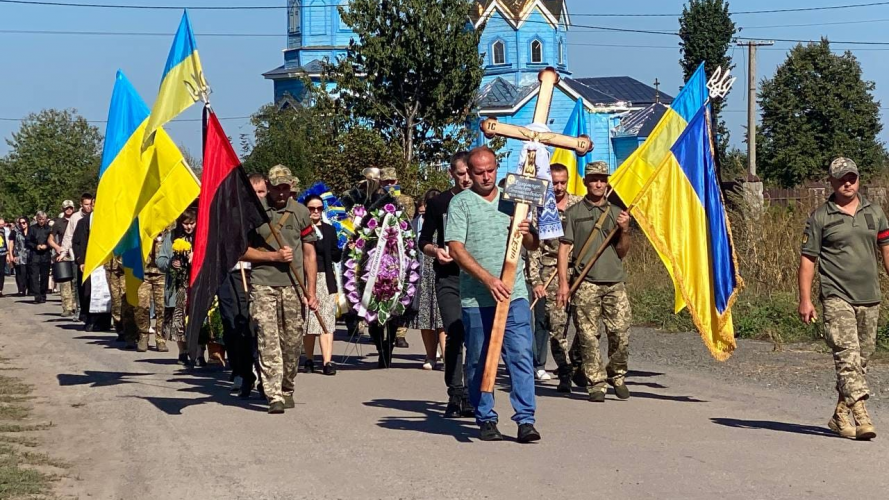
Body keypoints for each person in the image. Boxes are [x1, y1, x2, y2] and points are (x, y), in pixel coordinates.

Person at [446, 146, 541, 443]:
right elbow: (456, 248)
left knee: (521, 354)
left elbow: (533, 244)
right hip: (477, 297)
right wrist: (488, 279)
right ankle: (485, 416)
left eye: (491, 170)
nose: (486, 176)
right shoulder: (461, 204)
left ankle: (525, 419)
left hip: (514, 295)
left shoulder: (515, 200)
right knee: (478, 358)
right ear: (469, 173)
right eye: (479, 172)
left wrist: (526, 231)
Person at [798, 157, 887, 441]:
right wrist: (806, 299)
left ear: (859, 179)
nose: (847, 183)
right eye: (841, 179)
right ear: (832, 183)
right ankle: (862, 416)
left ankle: (839, 415)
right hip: (837, 296)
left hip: (869, 296)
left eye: (852, 177)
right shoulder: (821, 217)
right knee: (847, 357)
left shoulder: (875, 213)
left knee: (860, 361)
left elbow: (886, 250)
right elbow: (808, 260)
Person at [242, 165, 319, 414]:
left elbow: (309, 254)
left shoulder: (300, 213)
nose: (281, 192)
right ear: (269, 185)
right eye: (277, 187)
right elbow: (241, 250)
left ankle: (287, 387)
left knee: (292, 342)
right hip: (263, 283)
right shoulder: (254, 212)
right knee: (268, 339)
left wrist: (311, 291)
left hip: (293, 287)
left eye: (285, 187)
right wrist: (274, 257)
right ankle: (272, 393)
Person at [557, 162, 632, 403]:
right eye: (593, 179)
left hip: (614, 282)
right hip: (585, 282)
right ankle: (596, 382)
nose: (598, 184)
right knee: (589, 336)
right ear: (586, 182)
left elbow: (622, 251)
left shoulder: (616, 212)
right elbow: (564, 249)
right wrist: (563, 284)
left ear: (607, 182)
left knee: (620, 334)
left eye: (602, 179)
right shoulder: (574, 213)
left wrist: (625, 230)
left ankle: (617, 374)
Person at [419, 151, 475, 418]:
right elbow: (424, 240)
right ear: (451, 174)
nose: (466, 179)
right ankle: (456, 392)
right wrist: (435, 251)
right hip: (449, 276)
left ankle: (476, 392)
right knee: (455, 331)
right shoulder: (440, 203)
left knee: (478, 335)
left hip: (478, 277)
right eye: (461, 174)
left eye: (469, 173)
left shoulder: (483, 201)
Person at [527, 163, 583, 389]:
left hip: (578, 269)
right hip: (550, 271)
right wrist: (536, 281)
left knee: (585, 324)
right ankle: (565, 372)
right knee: (557, 326)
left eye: (563, 182)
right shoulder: (541, 208)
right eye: (555, 183)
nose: (559, 187)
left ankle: (578, 361)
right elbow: (534, 249)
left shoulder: (579, 205)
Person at [302, 195, 342, 376]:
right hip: (305, 279)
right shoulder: (300, 229)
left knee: (326, 320)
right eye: (312, 209)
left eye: (319, 208)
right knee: (308, 321)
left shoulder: (329, 230)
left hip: (325, 278)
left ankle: (327, 361)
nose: (316, 212)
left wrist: (342, 248)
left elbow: (334, 256)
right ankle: (309, 359)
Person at [410, 189, 446, 370]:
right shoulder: (417, 222)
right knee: (426, 318)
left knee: (442, 319)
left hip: (442, 271)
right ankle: (430, 356)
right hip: (423, 274)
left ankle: (448, 357)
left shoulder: (447, 220)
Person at [158, 210, 200, 364]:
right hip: (178, 286)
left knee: (198, 317)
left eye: (191, 223)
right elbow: (160, 260)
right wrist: (171, 263)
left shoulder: (201, 234)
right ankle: (183, 351)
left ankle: (199, 352)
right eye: (185, 223)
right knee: (179, 319)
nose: (189, 227)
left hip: (197, 282)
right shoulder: (172, 236)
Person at [72, 206, 112, 332]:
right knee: (88, 292)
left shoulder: (109, 220)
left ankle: (104, 321)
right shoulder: (83, 222)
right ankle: (90, 320)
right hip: (89, 263)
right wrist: (81, 261)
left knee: (106, 293)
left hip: (105, 262)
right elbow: (76, 242)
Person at [135, 232, 168, 352]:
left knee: (162, 307)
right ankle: (143, 335)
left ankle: (161, 338)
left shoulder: (169, 224)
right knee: (141, 305)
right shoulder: (143, 222)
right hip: (143, 271)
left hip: (162, 272)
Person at [48, 200, 77, 316]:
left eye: (70, 208)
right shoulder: (58, 223)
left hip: (76, 253)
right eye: (66, 208)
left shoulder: (78, 220)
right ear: (63, 209)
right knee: (65, 282)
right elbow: (50, 239)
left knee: (76, 282)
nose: (69, 210)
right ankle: (67, 307)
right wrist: (57, 247)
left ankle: (76, 306)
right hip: (64, 255)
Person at [26, 211, 52, 304]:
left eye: (43, 219)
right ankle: (37, 295)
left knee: (45, 276)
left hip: (45, 255)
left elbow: (52, 241)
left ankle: (43, 295)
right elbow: (27, 241)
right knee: (34, 276)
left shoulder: (49, 229)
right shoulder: (32, 229)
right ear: (37, 219)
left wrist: (47, 246)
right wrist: (35, 246)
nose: (41, 221)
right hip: (35, 255)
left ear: (46, 219)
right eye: (40, 219)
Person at [9, 217, 30, 296]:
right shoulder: (14, 232)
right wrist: (10, 255)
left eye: (23, 223)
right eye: (20, 223)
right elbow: (11, 243)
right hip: (18, 256)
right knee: (20, 273)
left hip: (29, 255)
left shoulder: (31, 231)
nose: (22, 224)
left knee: (29, 273)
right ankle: (21, 289)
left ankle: (29, 288)